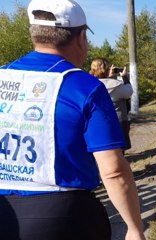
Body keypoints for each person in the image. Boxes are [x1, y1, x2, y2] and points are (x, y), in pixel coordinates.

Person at [0, 1, 145, 240]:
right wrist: (134, 228)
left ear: (34, 34)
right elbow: (113, 172)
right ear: (80, 38)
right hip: (65, 215)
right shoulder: (86, 87)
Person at [90, 59, 133, 152]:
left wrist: (110, 77)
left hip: (98, 121)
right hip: (118, 120)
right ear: (106, 70)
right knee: (119, 148)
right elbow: (129, 92)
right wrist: (125, 77)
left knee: (104, 148)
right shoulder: (116, 85)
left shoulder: (90, 84)